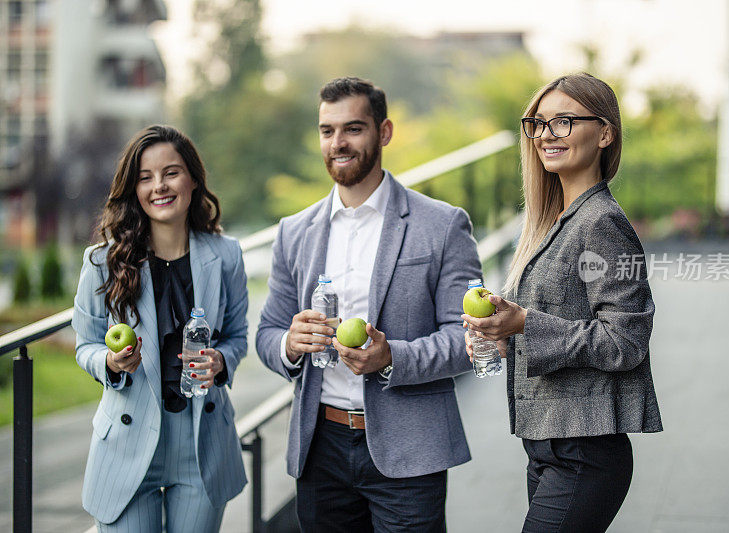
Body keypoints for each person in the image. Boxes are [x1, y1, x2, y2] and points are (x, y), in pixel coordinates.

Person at [256, 77, 481, 532]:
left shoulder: (441, 224)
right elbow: (267, 333)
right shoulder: (294, 232)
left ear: (385, 132)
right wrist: (290, 344)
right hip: (320, 449)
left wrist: (391, 357)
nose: (337, 143)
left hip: (409, 451)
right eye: (327, 130)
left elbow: (468, 338)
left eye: (353, 129)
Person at [462, 73, 663, 532]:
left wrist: (525, 323)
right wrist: (500, 336)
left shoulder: (602, 223)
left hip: (585, 451)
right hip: (550, 447)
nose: (547, 135)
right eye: (538, 124)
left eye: (564, 121)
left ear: (606, 133)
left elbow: (626, 340)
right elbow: (558, 324)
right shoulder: (553, 223)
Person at [72, 125, 248, 532]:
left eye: (171, 172)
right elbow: (85, 345)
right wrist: (111, 363)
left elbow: (238, 335)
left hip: (201, 440)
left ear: (192, 180)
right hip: (128, 439)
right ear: (133, 189)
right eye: (145, 177)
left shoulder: (226, 256)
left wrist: (221, 360)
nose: (159, 186)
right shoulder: (103, 261)